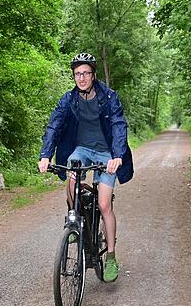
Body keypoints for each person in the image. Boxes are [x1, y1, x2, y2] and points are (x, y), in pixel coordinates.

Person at [38, 53, 134, 280]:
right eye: (77, 74)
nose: (81, 78)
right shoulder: (68, 100)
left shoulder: (109, 97)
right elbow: (54, 126)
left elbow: (119, 125)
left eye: (85, 73)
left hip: (105, 153)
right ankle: (73, 219)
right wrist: (45, 155)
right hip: (81, 149)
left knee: (103, 205)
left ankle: (110, 257)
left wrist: (117, 155)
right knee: (72, 181)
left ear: (93, 75)